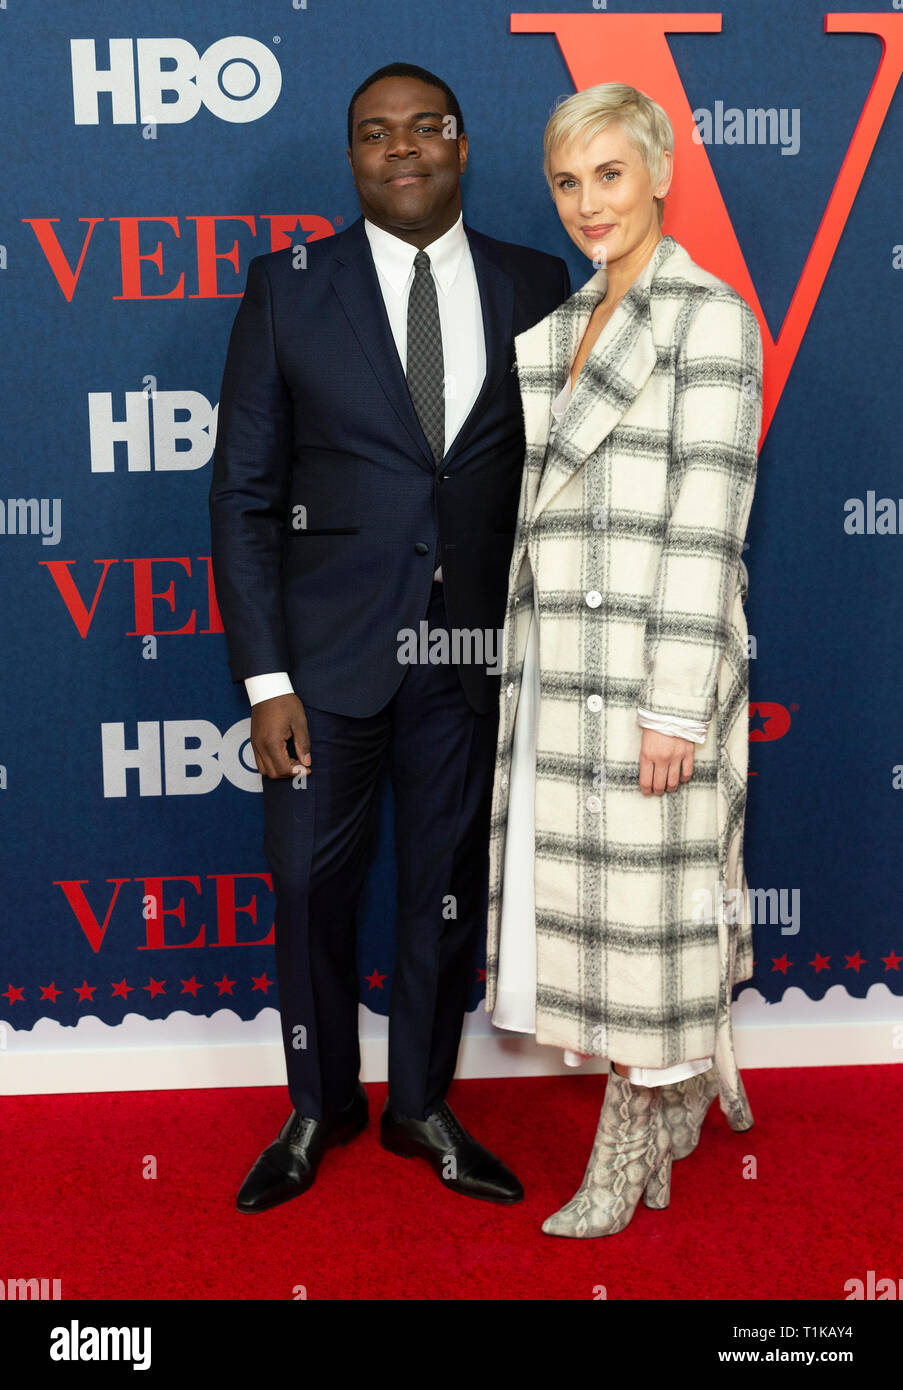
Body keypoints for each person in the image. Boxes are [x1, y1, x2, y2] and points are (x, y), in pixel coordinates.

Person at [209, 62, 570, 1213]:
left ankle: (420, 1100)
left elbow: (551, 481)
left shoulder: (535, 281)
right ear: (352, 156)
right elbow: (245, 495)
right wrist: (266, 677)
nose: (402, 149)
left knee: (443, 889)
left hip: (469, 659)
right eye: (376, 133)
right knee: (307, 888)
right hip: (323, 666)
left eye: (426, 129)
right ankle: (320, 1103)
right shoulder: (288, 287)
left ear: (464, 146)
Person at [484, 83, 762, 1236]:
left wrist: (676, 710)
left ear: (660, 174)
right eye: (567, 180)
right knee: (590, 918)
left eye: (610, 174)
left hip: (656, 674)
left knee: (643, 921)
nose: (589, 203)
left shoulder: (711, 316)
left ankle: (632, 1134)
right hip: (561, 670)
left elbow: (710, 521)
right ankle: (692, 1071)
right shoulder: (551, 333)